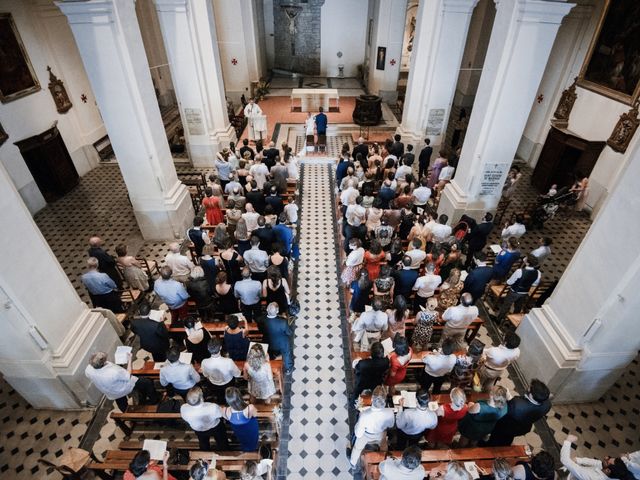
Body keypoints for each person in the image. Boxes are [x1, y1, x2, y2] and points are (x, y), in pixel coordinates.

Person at [85, 351, 158, 412]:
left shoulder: (88, 369)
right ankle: (154, 400)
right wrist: (129, 360)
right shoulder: (113, 372)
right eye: (105, 360)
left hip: (110, 390)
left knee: (121, 401)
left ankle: (126, 411)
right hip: (123, 386)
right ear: (102, 363)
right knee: (147, 382)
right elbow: (128, 375)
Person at [486, 378, 551, 446]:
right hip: (523, 427)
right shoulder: (547, 405)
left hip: (506, 426)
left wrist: (509, 398)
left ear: (531, 395)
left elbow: (506, 409)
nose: (528, 387)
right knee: (508, 438)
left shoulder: (516, 404)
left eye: (529, 387)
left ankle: (490, 445)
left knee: (496, 437)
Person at [349, 385, 395, 468]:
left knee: (357, 448)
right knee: (384, 447)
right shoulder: (389, 412)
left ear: (372, 399)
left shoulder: (364, 415)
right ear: (384, 401)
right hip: (381, 435)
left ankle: (353, 463)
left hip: (366, 435)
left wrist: (357, 425)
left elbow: (358, 434)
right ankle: (384, 462)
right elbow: (391, 425)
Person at [561, 434, 632, 480]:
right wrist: (578, 460)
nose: (606, 457)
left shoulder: (593, 477)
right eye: (609, 457)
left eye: (608, 460)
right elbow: (596, 463)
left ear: (608, 470)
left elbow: (565, 460)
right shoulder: (616, 474)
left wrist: (568, 441)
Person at [496, 254, 541, 324]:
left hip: (514, 291)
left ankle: (498, 319)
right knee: (518, 307)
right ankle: (513, 320)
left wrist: (507, 282)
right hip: (524, 293)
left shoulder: (520, 271)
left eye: (526, 258)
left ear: (528, 263)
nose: (524, 258)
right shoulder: (538, 273)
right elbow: (535, 284)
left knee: (506, 305)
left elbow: (510, 282)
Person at [181, 386, 228, 451]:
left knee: (203, 441)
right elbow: (220, 415)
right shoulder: (212, 407)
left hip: (198, 430)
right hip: (215, 427)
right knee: (221, 440)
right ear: (201, 398)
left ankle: (205, 453)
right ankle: (224, 450)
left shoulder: (184, 408)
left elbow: (185, 418)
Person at [201, 337, 241, 403]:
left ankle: (220, 402)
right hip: (228, 383)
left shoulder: (204, 362)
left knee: (218, 396)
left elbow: (205, 375)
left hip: (213, 384)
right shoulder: (228, 361)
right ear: (220, 348)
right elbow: (237, 374)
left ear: (208, 348)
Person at [224, 387, 260, 451]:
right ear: (239, 397)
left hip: (237, 428)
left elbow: (227, 418)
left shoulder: (225, 411)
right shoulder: (250, 408)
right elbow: (255, 414)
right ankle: (252, 447)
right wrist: (246, 404)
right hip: (250, 426)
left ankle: (245, 447)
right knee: (252, 438)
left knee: (242, 438)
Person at [263, 302, 293, 374]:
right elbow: (289, 332)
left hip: (268, 343)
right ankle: (288, 368)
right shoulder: (282, 322)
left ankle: (273, 357)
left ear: (267, 309)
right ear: (277, 311)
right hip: (281, 344)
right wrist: (285, 320)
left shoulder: (262, 320)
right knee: (286, 352)